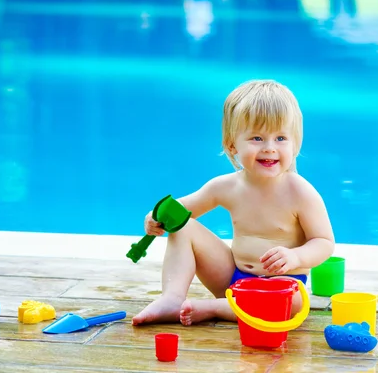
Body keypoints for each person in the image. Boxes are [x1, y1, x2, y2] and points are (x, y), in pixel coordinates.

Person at [132, 79, 335, 326]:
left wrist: (296, 258)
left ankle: (216, 308)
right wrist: (155, 218)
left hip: (281, 286)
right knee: (183, 225)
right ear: (232, 144)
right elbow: (180, 211)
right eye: (257, 138)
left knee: (292, 304)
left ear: (295, 143)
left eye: (281, 138)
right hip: (232, 278)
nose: (270, 148)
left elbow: (323, 242)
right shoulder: (226, 186)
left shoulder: (300, 191)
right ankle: (173, 298)